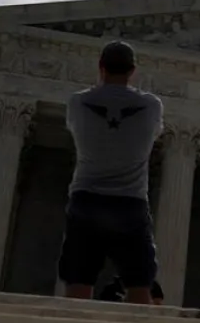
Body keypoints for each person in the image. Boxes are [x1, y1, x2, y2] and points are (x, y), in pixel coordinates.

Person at [58, 41, 164, 306]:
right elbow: (153, 133)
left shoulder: (79, 102)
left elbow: (76, 128)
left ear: (100, 67)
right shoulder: (151, 106)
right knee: (140, 287)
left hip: (86, 200)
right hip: (130, 203)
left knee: (78, 283)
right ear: (133, 71)